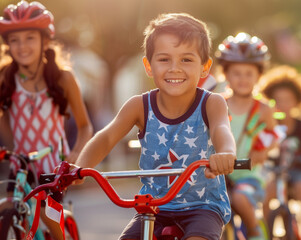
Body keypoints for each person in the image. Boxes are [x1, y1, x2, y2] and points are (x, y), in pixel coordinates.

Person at [73, 13, 236, 240]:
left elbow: (221, 130)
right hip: (153, 207)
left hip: (203, 206)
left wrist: (226, 154)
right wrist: (79, 168)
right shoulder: (139, 106)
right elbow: (107, 137)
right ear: (149, 66)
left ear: (205, 67)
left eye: (186, 60)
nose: (174, 68)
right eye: (164, 59)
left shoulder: (211, 102)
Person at [0, 1, 93, 239]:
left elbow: (85, 126)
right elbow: (3, 119)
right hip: (20, 166)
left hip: (53, 165)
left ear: (45, 41)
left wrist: (74, 157)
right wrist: (11, 150)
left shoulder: (62, 78)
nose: (22, 46)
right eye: (15, 40)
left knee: (48, 215)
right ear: (7, 44)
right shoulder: (6, 78)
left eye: (30, 38)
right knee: (5, 211)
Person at [215, 32, 277, 240]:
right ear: (226, 74)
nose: (243, 79)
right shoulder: (217, 104)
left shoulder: (263, 109)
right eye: (237, 73)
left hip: (248, 175)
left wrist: (263, 151)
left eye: (249, 74)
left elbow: (273, 134)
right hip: (217, 175)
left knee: (241, 198)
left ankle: (254, 231)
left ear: (259, 76)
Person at [259, 65, 301, 239]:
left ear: (297, 101)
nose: (283, 104)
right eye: (278, 100)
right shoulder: (268, 124)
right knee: (265, 196)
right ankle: (264, 233)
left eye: (288, 99)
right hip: (275, 171)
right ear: (270, 101)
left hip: (298, 169)